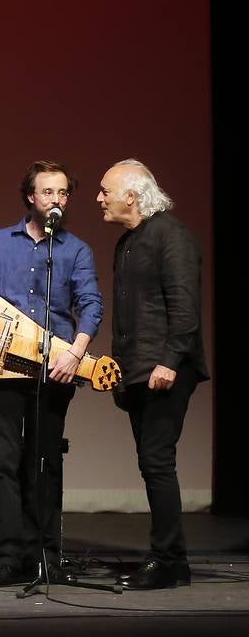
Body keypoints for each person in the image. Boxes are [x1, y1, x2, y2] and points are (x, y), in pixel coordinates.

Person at [0, 160, 103, 588]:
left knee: (43, 462)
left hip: (56, 369)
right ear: (31, 196)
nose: (56, 200)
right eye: (48, 193)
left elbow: (91, 303)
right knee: (1, 463)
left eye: (63, 193)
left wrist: (77, 353)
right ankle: (8, 559)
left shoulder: (75, 249)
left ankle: (46, 555)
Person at [97, 159, 207, 590]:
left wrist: (169, 361)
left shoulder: (171, 236)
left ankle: (169, 561)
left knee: (157, 461)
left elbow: (184, 308)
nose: (99, 198)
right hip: (138, 371)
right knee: (151, 463)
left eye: (106, 190)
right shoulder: (127, 242)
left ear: (132, 194)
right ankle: (167, 558)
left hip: (166, 370)